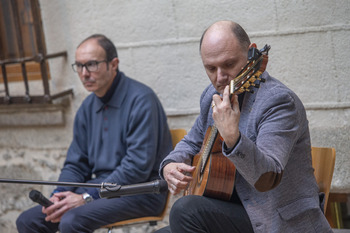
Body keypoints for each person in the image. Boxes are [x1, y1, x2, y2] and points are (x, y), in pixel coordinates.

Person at [155, 21, 332, 233]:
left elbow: (268, 176)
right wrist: (170, 165)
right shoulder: (211, 97)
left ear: (251, 53)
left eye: (228, 64)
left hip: (277, 221)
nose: (220, 77)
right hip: (238, 212)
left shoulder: (279, 102)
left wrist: (233, 138)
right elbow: (191, 142)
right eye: (211, 68)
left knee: (185, 210)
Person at [16, 34, 173, 232]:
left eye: (91, 64)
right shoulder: (87, 107)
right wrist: (58, 194)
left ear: (113, 64)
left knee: (72, 220)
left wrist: (86, 197)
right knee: (28, 221)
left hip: (140, 191)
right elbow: (76, 163)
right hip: (98, 188)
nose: (84, 73)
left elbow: (136, 168)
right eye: (79, 66)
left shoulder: (142, 100)